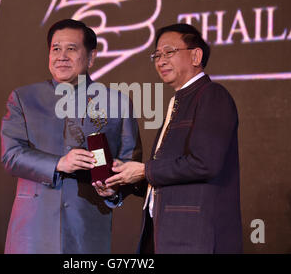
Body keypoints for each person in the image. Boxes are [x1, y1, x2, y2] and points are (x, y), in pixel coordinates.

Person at [0, 19, 142, 253]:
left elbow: (129, 162)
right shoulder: (24, 98)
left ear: (91, 57)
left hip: (87, 230)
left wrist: (114, 190)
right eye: (56, 49)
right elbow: (11, 155)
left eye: (71, 49)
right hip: (32, 233)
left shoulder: (117, 103)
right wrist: (58, 163)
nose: (62, 56)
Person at [104, 23, 243, 253]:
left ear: (196, 55)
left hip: (193, 238)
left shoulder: (212, 95)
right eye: (157, 55)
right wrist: (124, 178)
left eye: (169, 52)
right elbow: (168, 172)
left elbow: (205, 163)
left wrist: (143, 170)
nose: (161, 60)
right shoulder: (178, 102)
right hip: (161, 234)